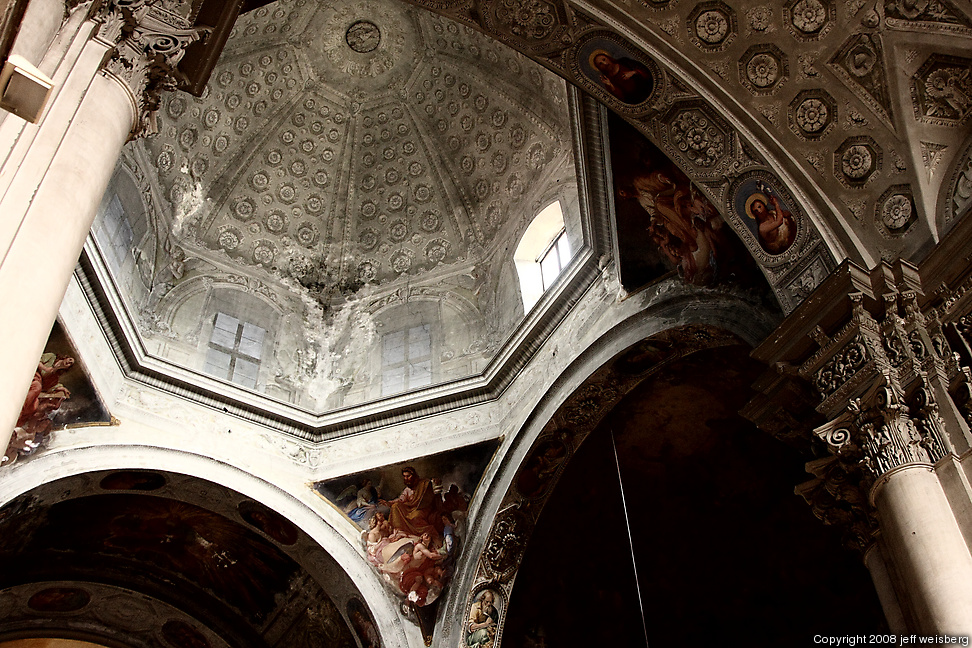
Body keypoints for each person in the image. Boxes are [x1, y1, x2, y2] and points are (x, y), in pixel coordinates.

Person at [380, 467, 438, 537]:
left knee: (416, 516)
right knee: (395, 506)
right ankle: (399, 530)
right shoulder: (407, 489)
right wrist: (389, 503)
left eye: (408, 476)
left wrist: (435, 482)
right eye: (404, 476)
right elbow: (401, 500)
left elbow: (432, 492)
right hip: (411, 509)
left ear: (414, 476)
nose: (406, 478)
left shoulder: (423, 484)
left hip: (423, 508)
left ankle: (421, 533)